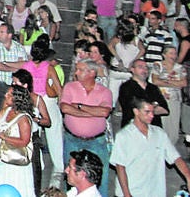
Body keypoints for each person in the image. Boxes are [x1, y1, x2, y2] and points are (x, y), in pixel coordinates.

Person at [109, 98, 190, 197]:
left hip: (154, 192)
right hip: (132, 192)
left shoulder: (159, 133)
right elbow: (120, 167)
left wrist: (188, 177)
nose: (152, 115)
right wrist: (127, 194)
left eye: (153, 111)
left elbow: (176, 158)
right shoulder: (124, 136)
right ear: (136, 112)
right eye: (147, 112)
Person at [60, 59, 114, 197]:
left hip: (96, 141)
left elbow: (104, 112)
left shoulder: (104, 91)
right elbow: (65, 107)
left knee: (99, 178)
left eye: (80, 69)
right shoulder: (70, 87)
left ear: (92, 72)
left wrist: (78, 106)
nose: (76, 73)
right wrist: (92, 112)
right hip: (72, 139)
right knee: (71, 175)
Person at [0, 84, 35, 197]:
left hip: (15, 162)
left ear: (17, 98)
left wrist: (4, 137)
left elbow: (24, 141)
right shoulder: (8, 109)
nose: (5, 95)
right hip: (1, 157)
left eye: (9, 94)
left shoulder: (23, 119)